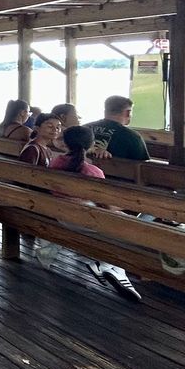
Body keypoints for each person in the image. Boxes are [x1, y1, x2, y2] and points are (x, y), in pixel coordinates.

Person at [46, 126, 142, 301]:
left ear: (65, 143)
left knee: (122, 225)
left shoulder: (55, 163)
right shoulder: (92, 172)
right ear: (91, 144)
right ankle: (110, 266)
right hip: (87, 220)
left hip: (62, 216)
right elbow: (106, 205)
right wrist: (127, 208)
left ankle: (113, 267)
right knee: (136, 228)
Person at [85, 95, 150, 161]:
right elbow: (145, 167)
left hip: (80, 170)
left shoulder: (83, 128)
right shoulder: (133, 137)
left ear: (105, 111)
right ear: (128, 113)